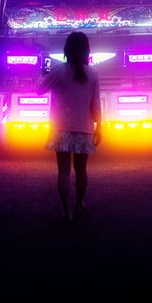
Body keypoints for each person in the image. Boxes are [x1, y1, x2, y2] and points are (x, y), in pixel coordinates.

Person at [37, 31, 102, 223]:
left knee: (63, 172)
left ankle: (67, 212)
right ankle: (80, 204)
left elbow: (39, 91)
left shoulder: (58, 71)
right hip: (84, 129)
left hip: (61, 130)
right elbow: (96, 104)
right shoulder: (93, 73)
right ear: (86, 51)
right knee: (81, 170)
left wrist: (41, 74)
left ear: (66, 50)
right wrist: (100, 128)